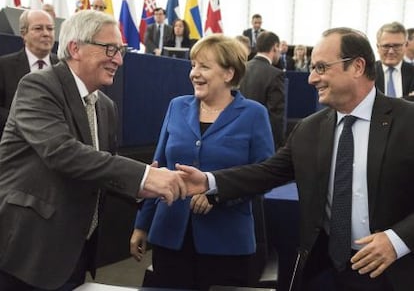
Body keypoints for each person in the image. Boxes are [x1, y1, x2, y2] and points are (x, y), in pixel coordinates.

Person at [178, 27, 414, 291]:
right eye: (312, 68)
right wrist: (208, 181)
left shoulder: (408, 122)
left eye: (322, 68)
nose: (312, 78)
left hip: (394, 274)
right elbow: (267, 172)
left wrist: (397, 240)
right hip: (324, 271)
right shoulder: (309, 129)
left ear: (357, 66)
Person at [0, 10, 187, 291]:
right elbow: (62, 152)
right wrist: (144, 176)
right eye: (110, 49)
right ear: (75, 47)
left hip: (76, 252)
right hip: (29, 251)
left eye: (121, 51)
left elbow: (102, 169)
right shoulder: (38, 85)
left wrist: (144, 190)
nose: (119, 60)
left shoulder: (105, 106)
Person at [130, 34, 274, 290]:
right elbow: (158, 168)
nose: (194, 73)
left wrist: (217, 195)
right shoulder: (176, 107)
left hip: (227, 243)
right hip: (170, 237)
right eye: (193, 65)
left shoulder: (254, 114)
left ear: (229, 73)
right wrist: (142, 225)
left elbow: (263, 176)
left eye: (204, 66)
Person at [0, 9, 59, 135]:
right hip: (16, 144)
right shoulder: (4, 66)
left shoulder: (63, 67)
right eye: (38, 28)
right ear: (23, 33)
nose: (46, 34)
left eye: (50, 29)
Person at [239, 31, 285, 149]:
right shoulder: (275, 75)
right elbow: (275, 115)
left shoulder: (241, 69)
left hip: (238, 136)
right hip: (262, 141)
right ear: (275, 47)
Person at [374, 21, 414, 100]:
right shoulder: (366, 73)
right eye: (386, 46)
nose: (391, 51)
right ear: (378, 47)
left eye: (397, 46)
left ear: (405, 46)